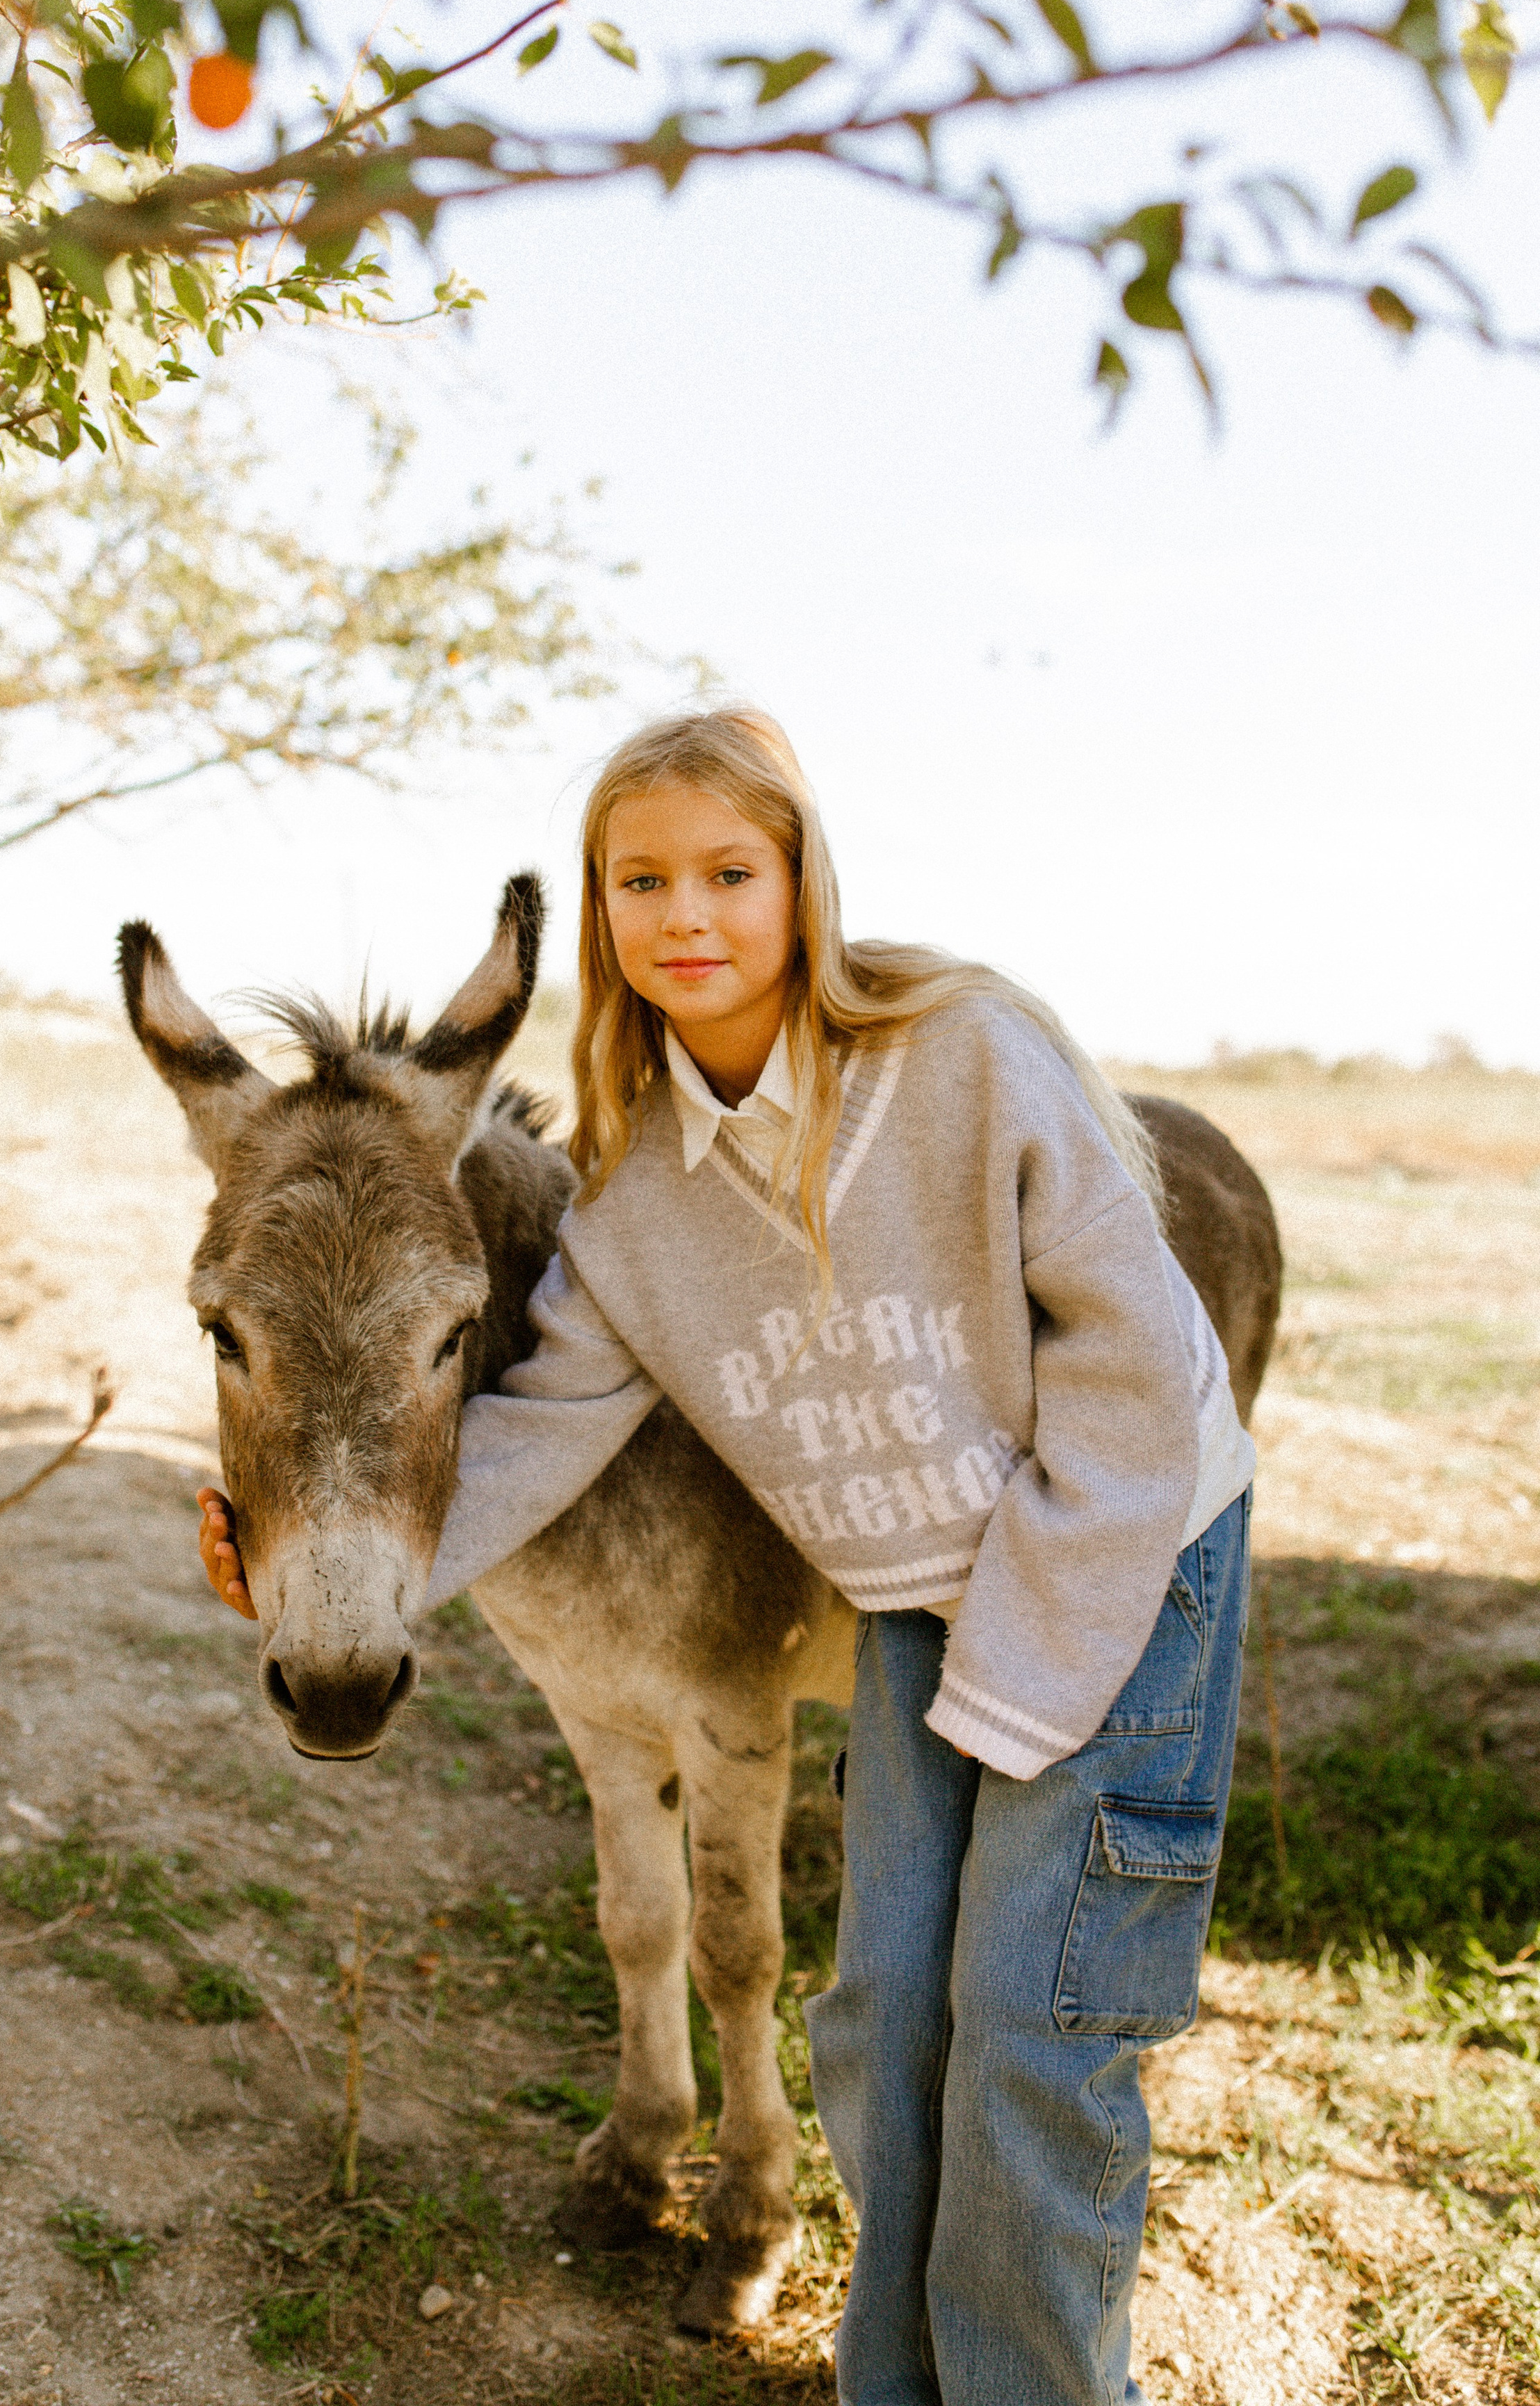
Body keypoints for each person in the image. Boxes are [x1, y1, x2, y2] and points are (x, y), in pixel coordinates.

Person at [197, 706, 1255, 2406]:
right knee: (882, 2031)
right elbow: (541, 1428)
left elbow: (1132, 1370)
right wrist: (335, 1570)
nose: (683, 913)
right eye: (638, 879)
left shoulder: (965, 1050)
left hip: (1113, 1570)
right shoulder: (639, 1208)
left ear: (804, 882)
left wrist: (1029, 1665)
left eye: (728, 871)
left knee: (1027, 2052)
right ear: (601, 918)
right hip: (926, 1602)